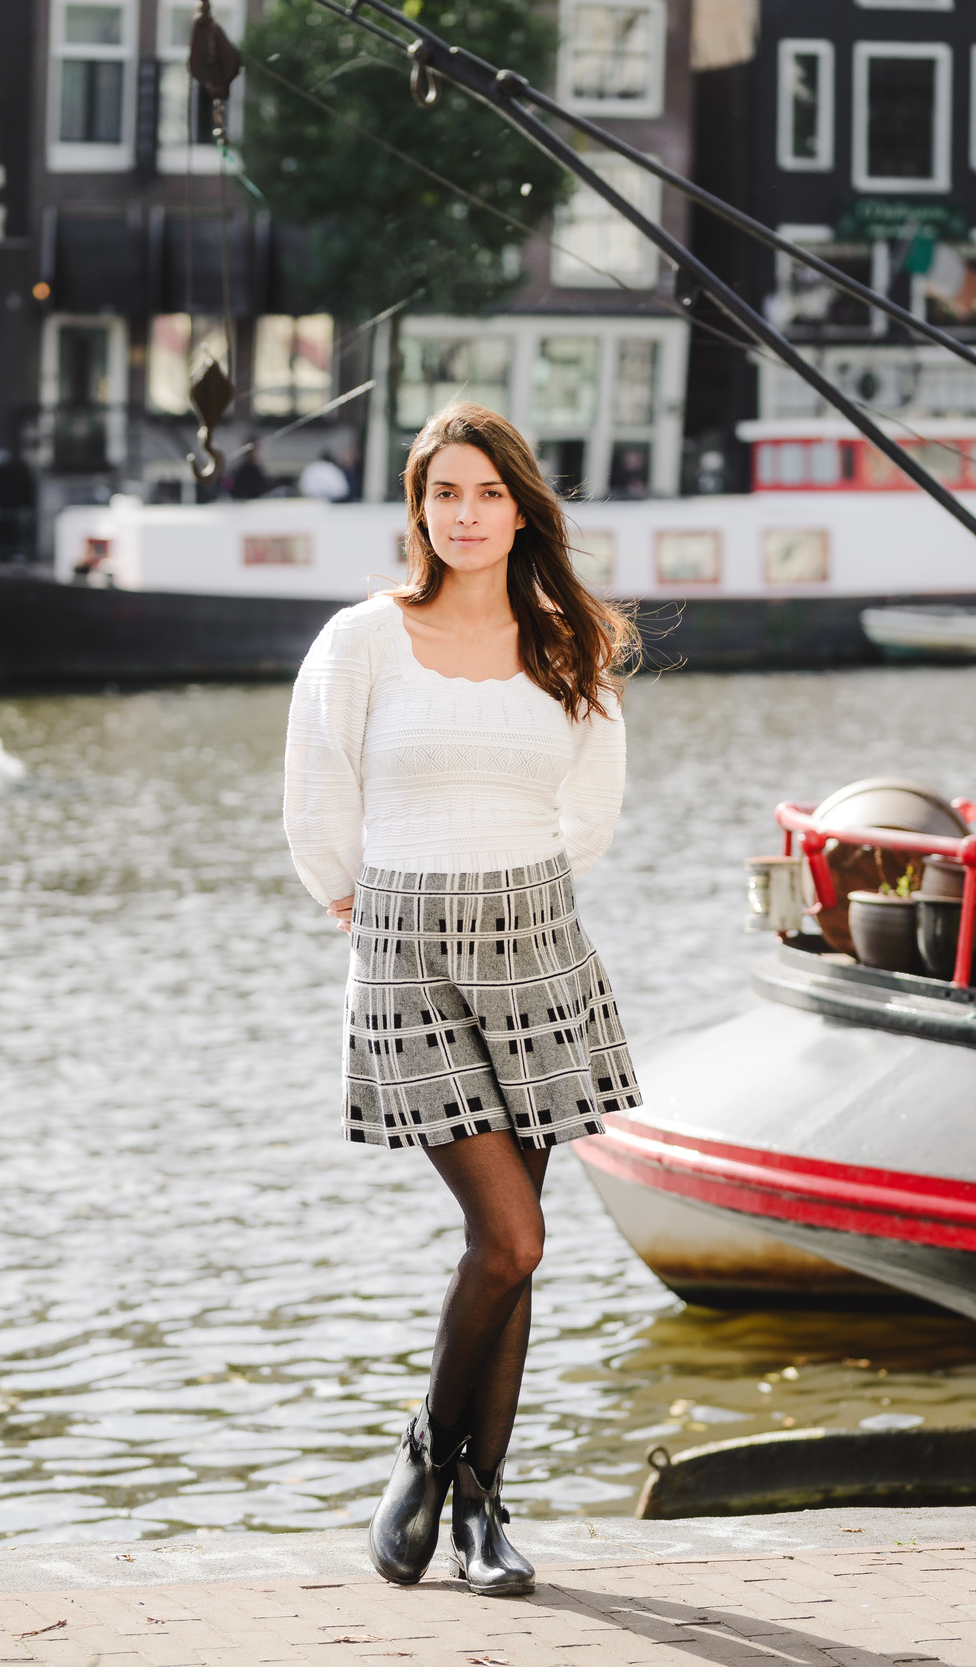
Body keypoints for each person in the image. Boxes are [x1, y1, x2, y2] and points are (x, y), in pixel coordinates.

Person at [283, 404, 641, 1598]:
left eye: (487, 491)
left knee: (511, 1249)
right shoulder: (366, 638)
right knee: (514, 1235)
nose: (467, 512)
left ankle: (480, 1504)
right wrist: (351, 893)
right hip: (405, 950)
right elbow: (318, 778)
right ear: (420, 507)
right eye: (446, 492)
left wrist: (520, 887)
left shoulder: (566, 641)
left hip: (535, 945)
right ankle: (431, 1454)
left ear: (520, 507)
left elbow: (591, 802)